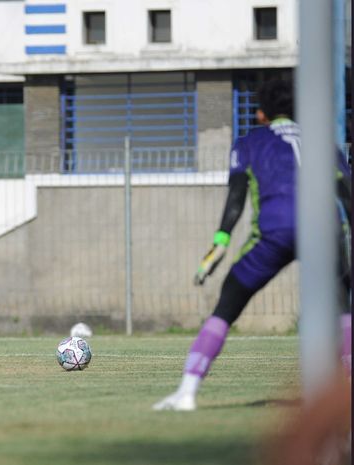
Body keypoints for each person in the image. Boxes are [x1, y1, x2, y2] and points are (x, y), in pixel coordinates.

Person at [153, 80, 352, 411]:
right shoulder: (323, 142)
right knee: (344, 309)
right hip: (325, 229)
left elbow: (236, 199)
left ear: (261, 114)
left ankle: (186, 392)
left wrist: (220, 243)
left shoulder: (249, 143)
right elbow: (346, 190)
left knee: (227, 305)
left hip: (275, 231)